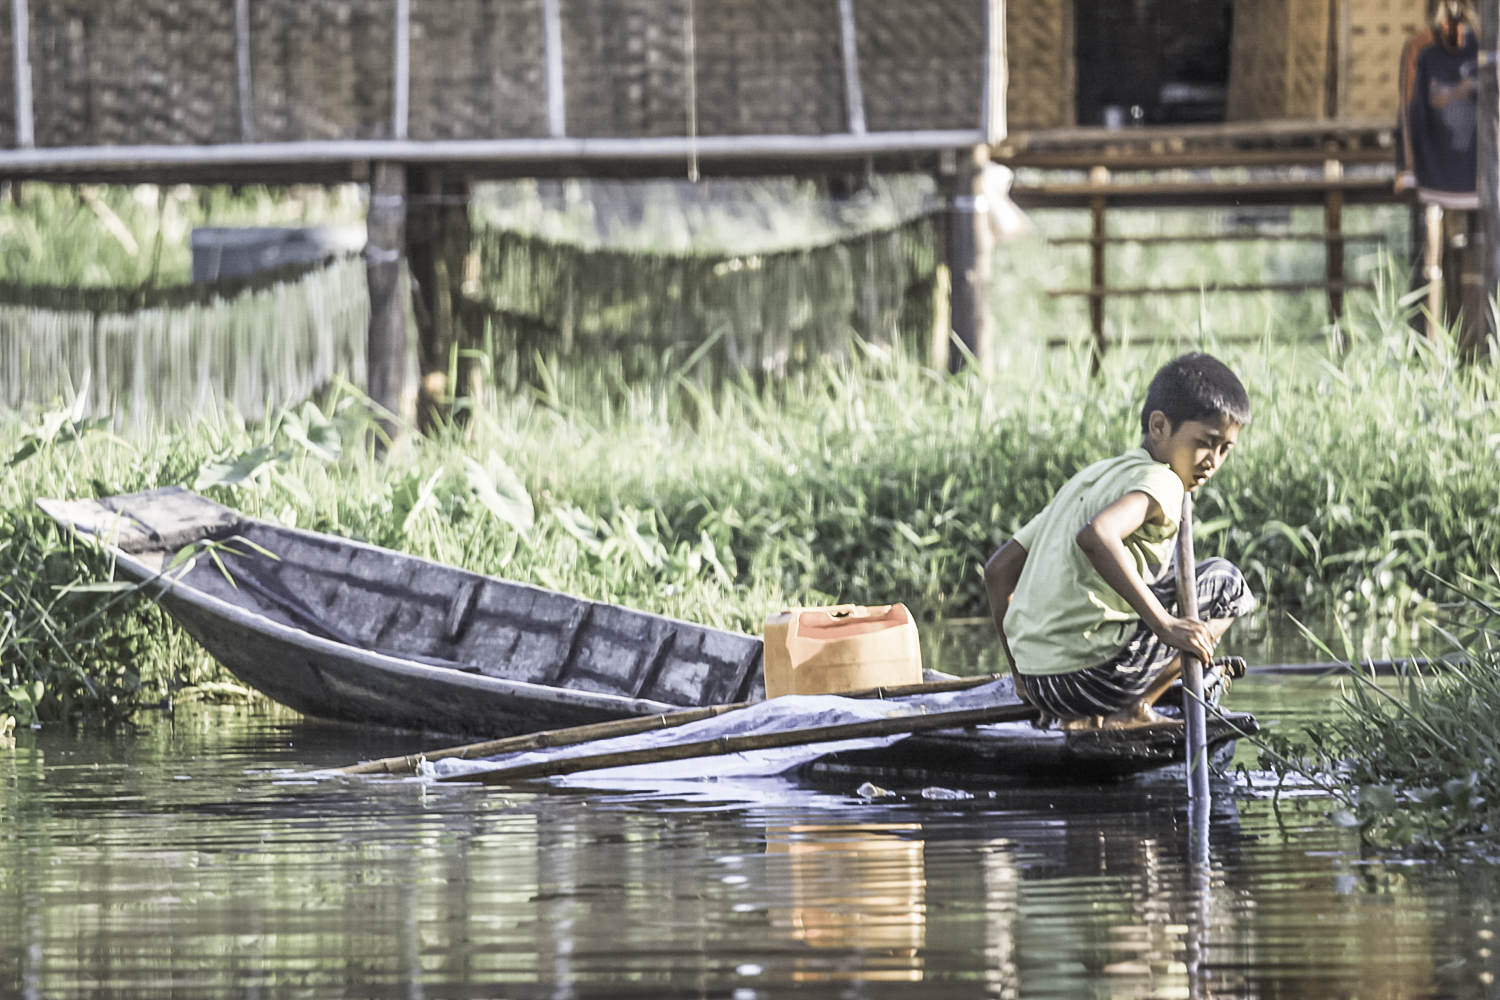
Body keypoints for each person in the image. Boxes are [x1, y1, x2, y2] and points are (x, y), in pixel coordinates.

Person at [983, 353, 1256, 731]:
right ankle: (1133, 709)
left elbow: (997, 570)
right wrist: (1164, 625)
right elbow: (1096, 535)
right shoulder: (1164, 481)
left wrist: (1022, 677)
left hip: (1041, 684)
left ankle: (1091, 707)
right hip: (1091, 682)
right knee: (1226, 582)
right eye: (1206, 442)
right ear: (1159, 426)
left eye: (1225, 449)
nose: (1213, 461)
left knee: (1177, 579)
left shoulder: (1091, 479)